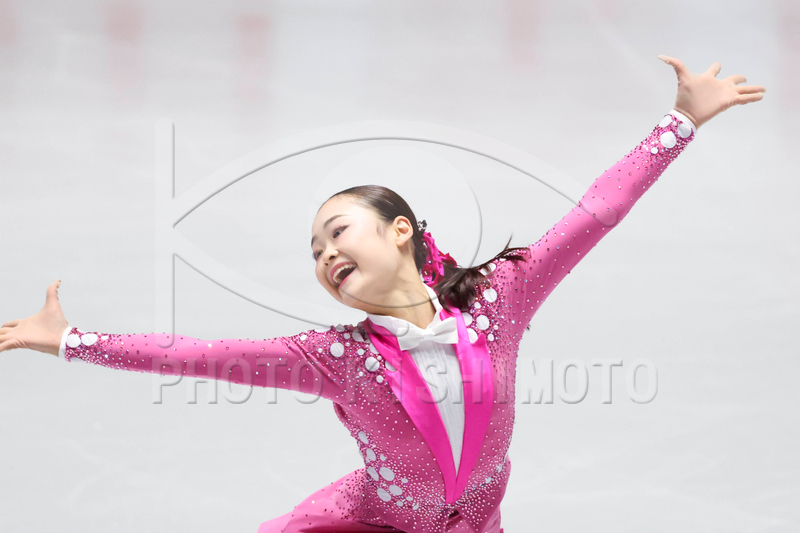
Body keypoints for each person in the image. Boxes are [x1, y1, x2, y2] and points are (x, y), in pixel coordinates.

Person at [0, 56, 766, 533]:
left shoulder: (500, 298)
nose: (326, 253)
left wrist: (680, 122)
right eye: (315, 251)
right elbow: (195, 356)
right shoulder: (334, 356)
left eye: (338, 232)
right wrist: (71, 339)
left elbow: (595, 212)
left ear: (400, 231)